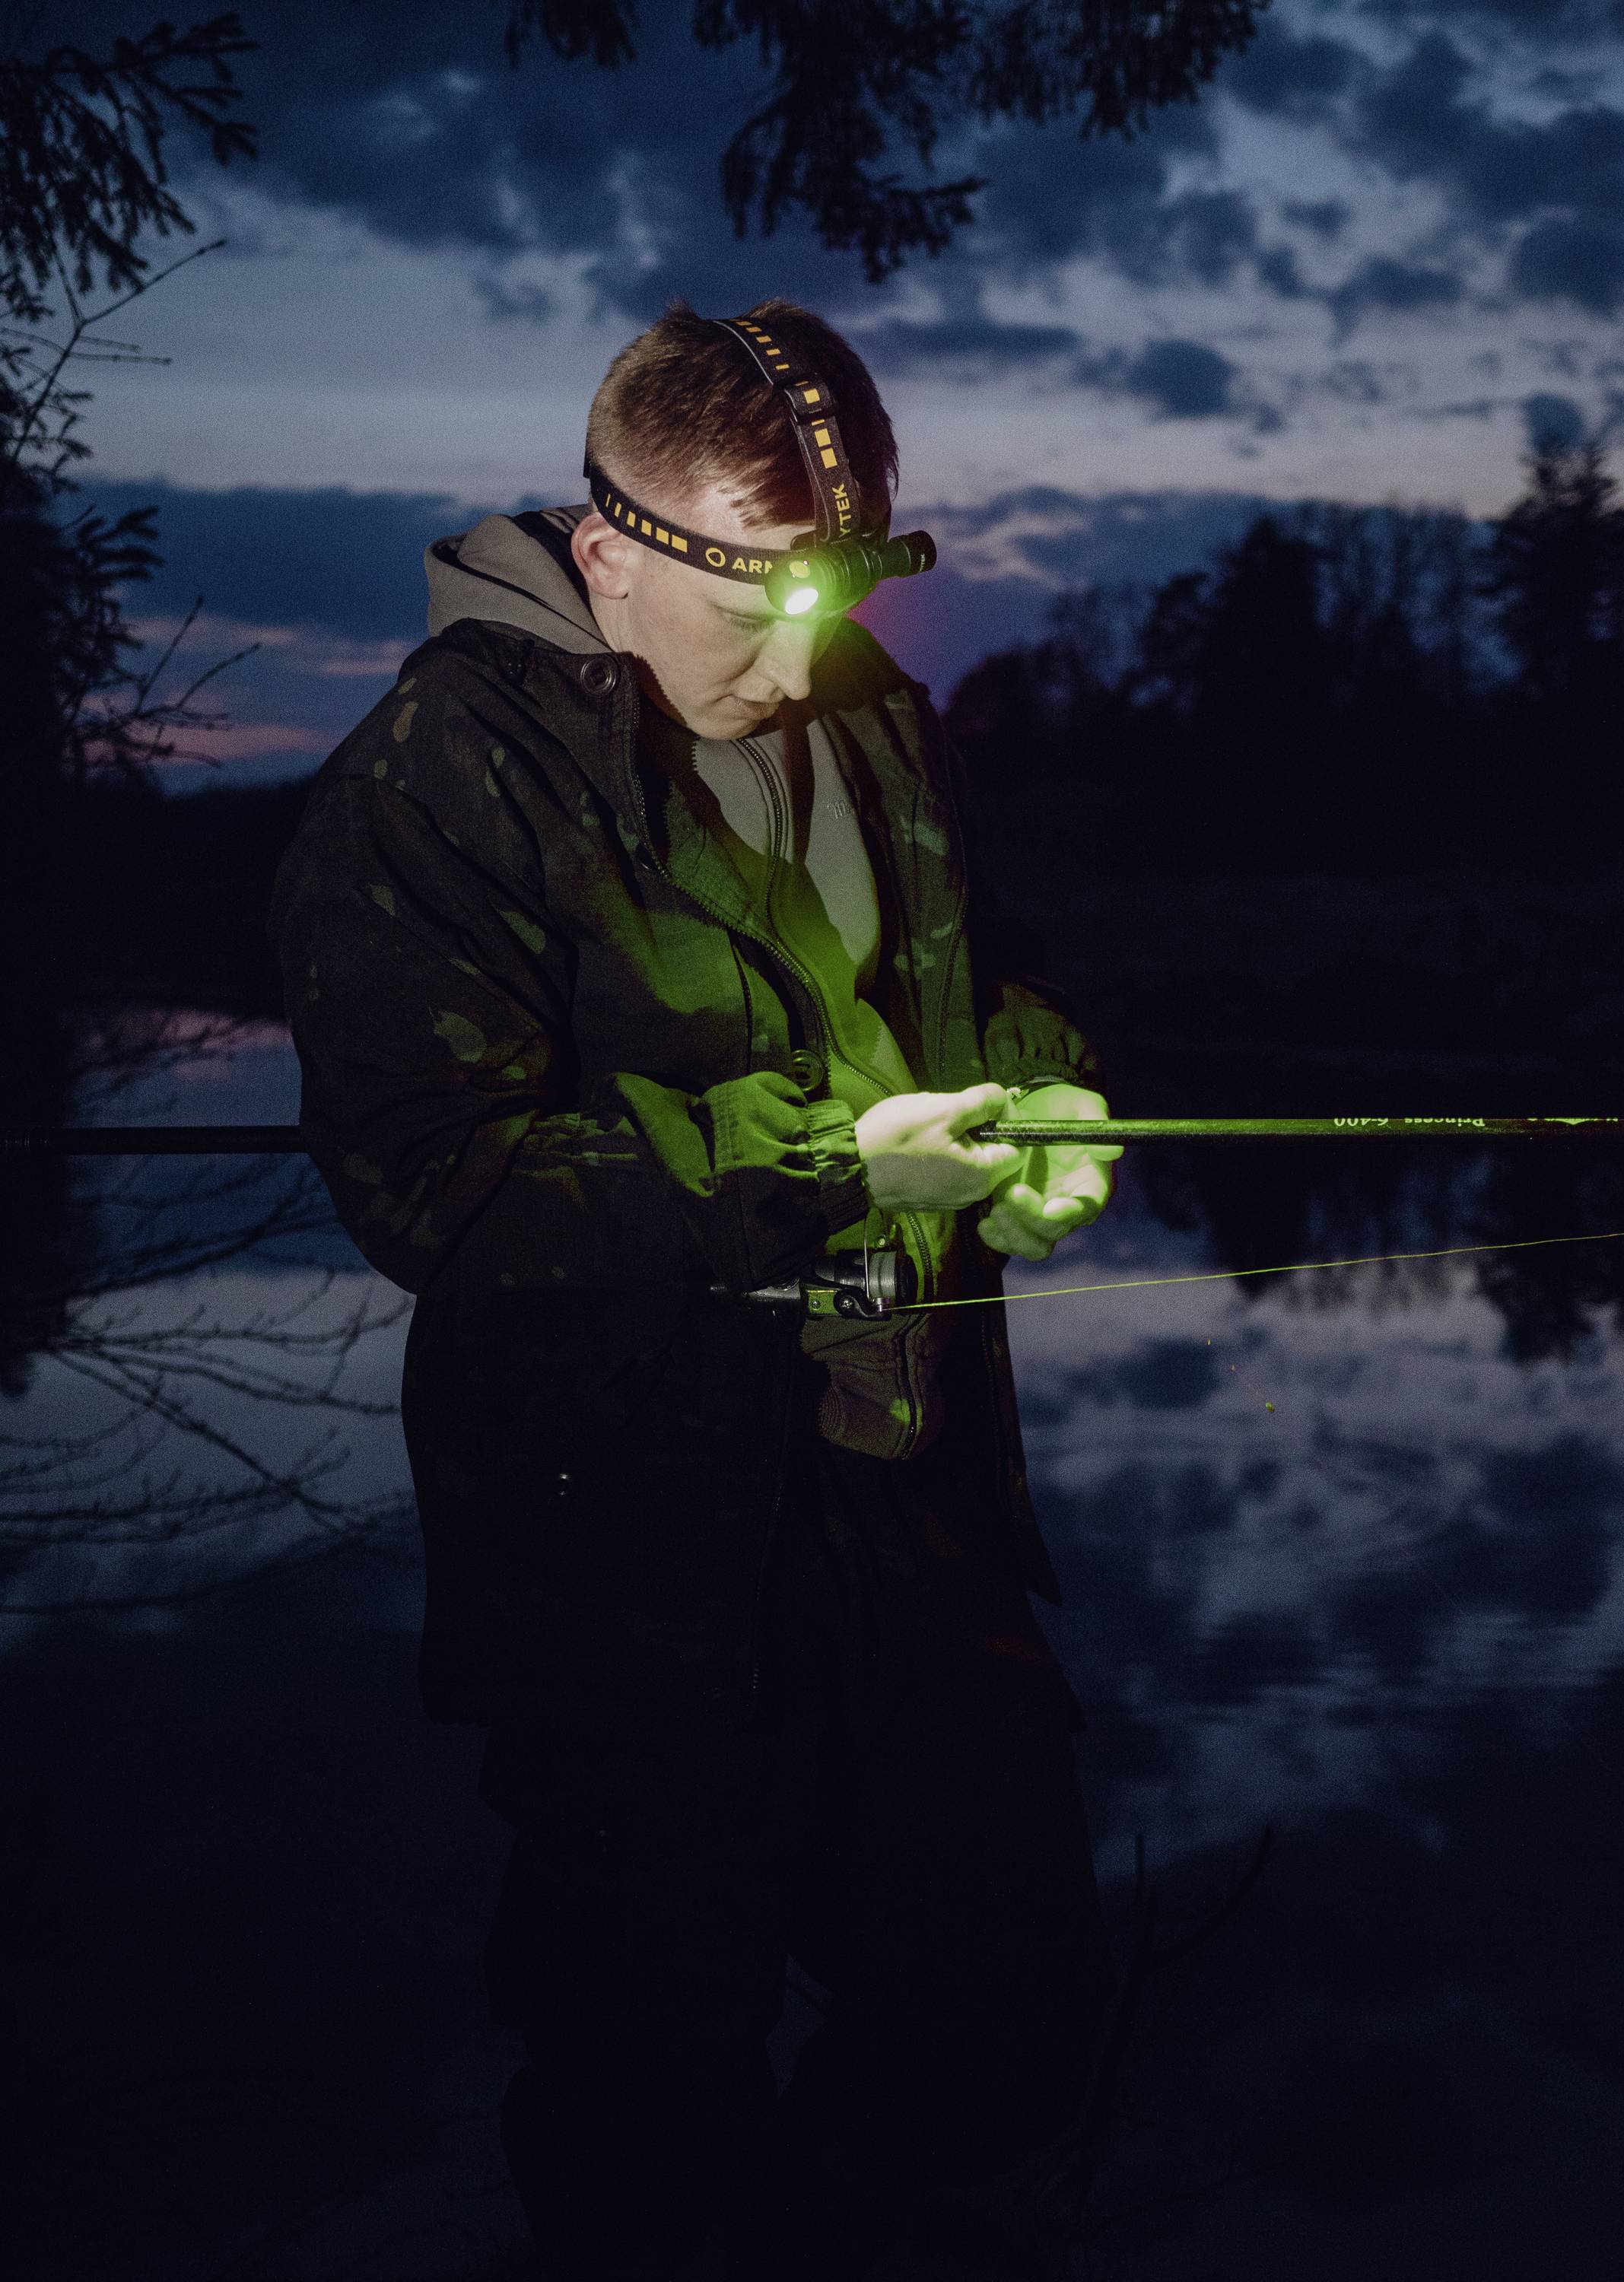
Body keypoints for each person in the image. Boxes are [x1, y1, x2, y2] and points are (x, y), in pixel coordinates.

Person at [268, 297, 1123, 2281]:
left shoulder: (869, 713)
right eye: (757, 601)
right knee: (649, 2074)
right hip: (625, 1547)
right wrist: (812, 1180)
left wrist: (1041, 1104)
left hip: (902, 1499)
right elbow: (436, 1191)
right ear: (604, 553)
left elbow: (980, 976)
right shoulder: (441, 772)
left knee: (1005, 2004)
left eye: (839, 592)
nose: (805, 652)